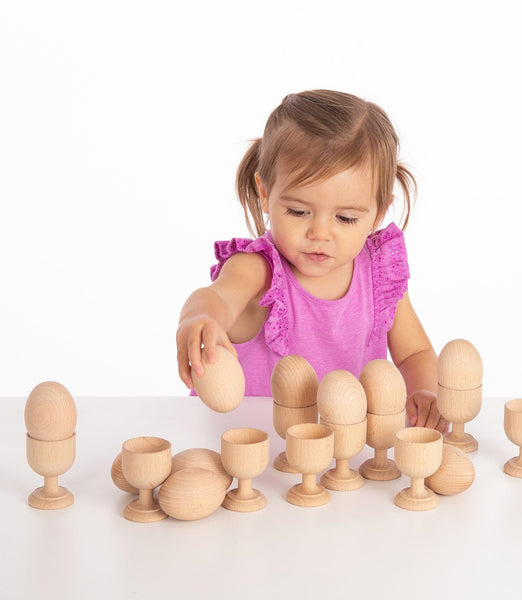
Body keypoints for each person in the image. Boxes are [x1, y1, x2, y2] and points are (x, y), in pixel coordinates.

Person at [176, 90, 447, 433]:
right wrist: (199, 317)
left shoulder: (378, 274)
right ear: (264, 193)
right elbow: (218, 297)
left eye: (345, 218)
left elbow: (414, 354)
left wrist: (424, 392)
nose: (320, 233)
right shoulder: (260, 268)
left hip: (339, 450)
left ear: (378, 212)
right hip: (249, 445)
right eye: (298, 211)